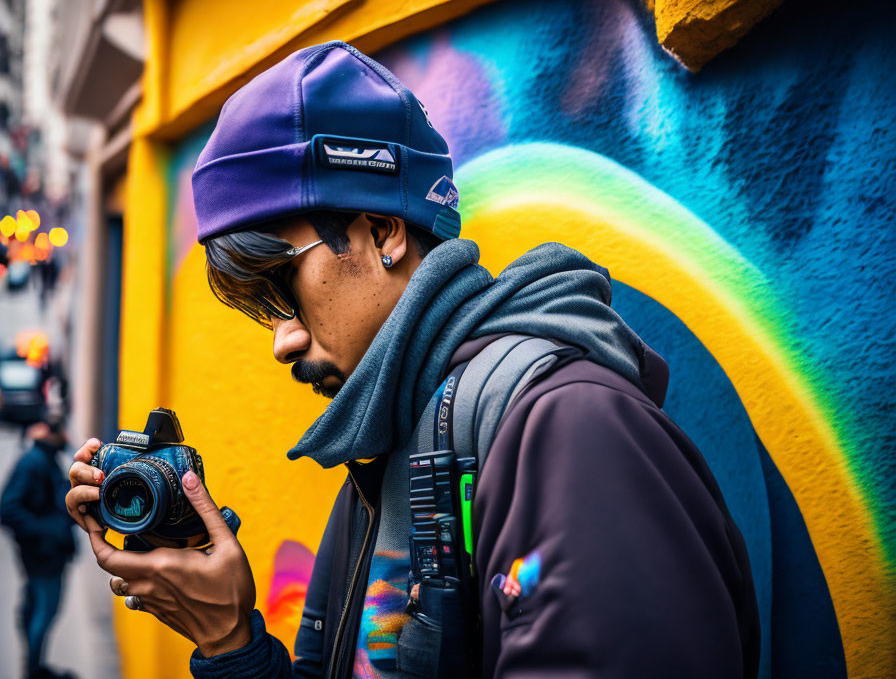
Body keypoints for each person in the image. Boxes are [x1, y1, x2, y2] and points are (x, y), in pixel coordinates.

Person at [66, 41, 760, 678]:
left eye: (284, 289)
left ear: (382, 233)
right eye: (261, 310)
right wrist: (226, 638)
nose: (282, 340)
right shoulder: (384, 454)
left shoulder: (572, 433)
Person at [1, 421, 77, 679]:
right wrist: (51, 532)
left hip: (44, 552)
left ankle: (34, 666)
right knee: (44, 610)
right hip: (43, 554)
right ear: (51, 432)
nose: (68, 436)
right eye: (64, 431)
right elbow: (8, 508)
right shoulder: (34, 461)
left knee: (35, 607)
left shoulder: (46, 457)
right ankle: (33, 670)